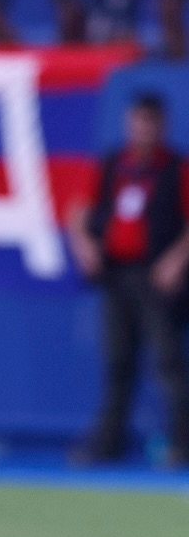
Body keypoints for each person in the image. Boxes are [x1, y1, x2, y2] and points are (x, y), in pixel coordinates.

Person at [66, 94, 189, 467]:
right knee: (118, 361)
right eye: (138, 121)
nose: (143, 130)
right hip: (117, 276)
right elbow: (79, 210)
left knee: (168, 363)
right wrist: (84, 245)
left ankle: (182, 446)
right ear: (129, 123)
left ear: (161, 126)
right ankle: (108, 443)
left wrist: (176, 261)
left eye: (150, 122)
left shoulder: (175, 168)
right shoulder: (114, 165)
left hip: (157, 277)